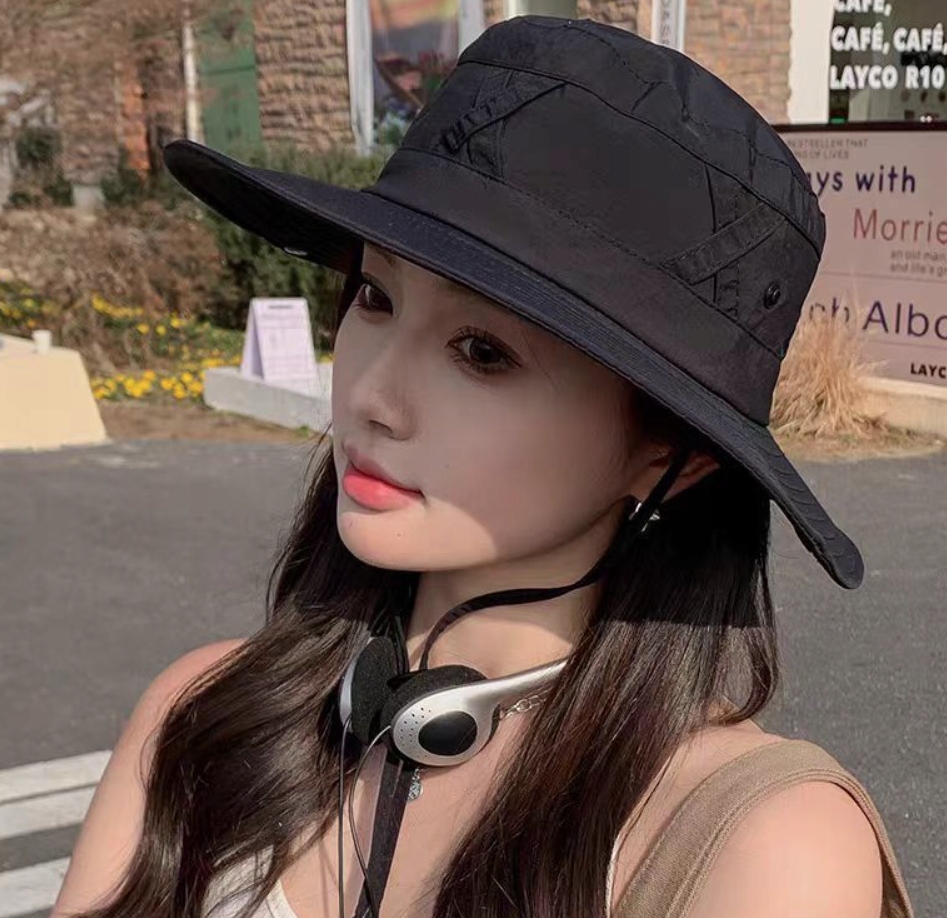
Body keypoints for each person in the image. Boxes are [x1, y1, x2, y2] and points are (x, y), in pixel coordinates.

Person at [52, 15, 915, 918]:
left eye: (481, 352)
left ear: (670, 451)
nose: (372, 396)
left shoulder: (753, 846)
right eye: (375, 296)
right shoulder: (201, 720)